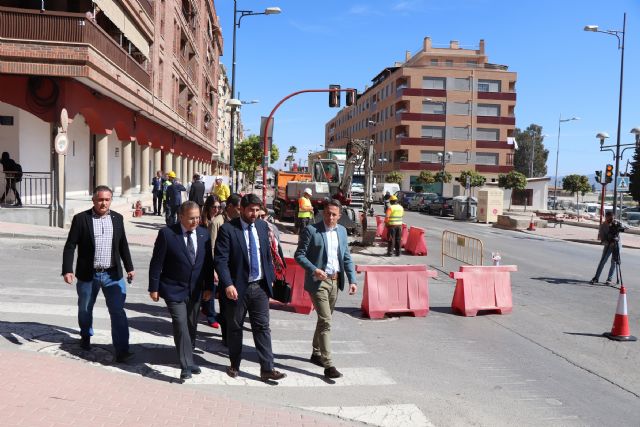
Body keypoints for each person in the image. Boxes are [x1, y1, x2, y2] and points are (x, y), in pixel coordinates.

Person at [214, 193, 286, 382]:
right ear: (242, 210)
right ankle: (234, 364)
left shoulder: (262, 227)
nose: (254, 214)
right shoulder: (228, 229)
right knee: (235, 327)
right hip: (237, 288)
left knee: (262, 327)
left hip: (259, 287)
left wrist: (269, 277)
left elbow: (267, 254)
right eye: (251, 210)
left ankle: (267, 368)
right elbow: (220, 260)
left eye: (257, 210)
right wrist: (228, 284)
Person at [61, 185, 135, 363]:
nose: (103, 203)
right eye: (100, 199)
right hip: (89, 274)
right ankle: (85, 335)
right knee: (85, 309)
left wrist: (129, 267)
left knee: (118, 311)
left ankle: (122, 349)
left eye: (107, 200)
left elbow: (122, 245)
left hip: (113, 275)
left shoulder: (117, 218)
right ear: (94, 200)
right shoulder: (81, 219)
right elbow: (70, 245)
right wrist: (67, 269)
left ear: (111, 200)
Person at [148, 201, 214, 381]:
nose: (196, 221)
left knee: (191, 326)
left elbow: (208, 264)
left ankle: (189, 358)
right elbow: (156, 263)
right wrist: (153, 287)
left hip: (196, 290)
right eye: (192, 218)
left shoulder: (203, 234)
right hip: (173, 289)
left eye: (198, 217)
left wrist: (209, 287)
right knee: (180, 324)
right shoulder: (167, 234)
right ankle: (185, 365)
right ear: (181, 216)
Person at [294, 199, 358, 379]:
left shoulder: (343, 232)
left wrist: (352, 279)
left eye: (334, 214)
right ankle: (328, 364)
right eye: (328, 213)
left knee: (324, 320)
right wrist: (314, 269)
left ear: (339, 216)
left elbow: (346, 257)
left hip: (335, 282)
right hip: (318, 283)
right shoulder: (312, 230)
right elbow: (299, 255)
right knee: (326, 321)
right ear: (323, 213)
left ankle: (315, 353)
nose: (331, 217)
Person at [200, 195, 222, 329]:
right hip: (202, 257)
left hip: (213, 257)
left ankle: (206, 309)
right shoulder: (202, 221)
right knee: (208, 286)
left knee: (210, 286)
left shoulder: (219, 220)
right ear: (208, 207)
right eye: (214, 207)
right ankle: (211, 315)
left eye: (219, 207)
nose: (217, 209)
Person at [590, 211, 622, 285]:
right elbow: (602, 240)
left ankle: (609, 279)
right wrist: (608, 243)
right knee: (603, 261)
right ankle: (596, 278)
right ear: (606, 217)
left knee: (614, 262)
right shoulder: (603, 226)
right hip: (608, 245)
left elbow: (624, 229)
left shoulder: (616, 223)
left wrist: (618, 225)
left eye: (612, 218)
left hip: (617, 244)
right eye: (609, 219)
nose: (610, 220)